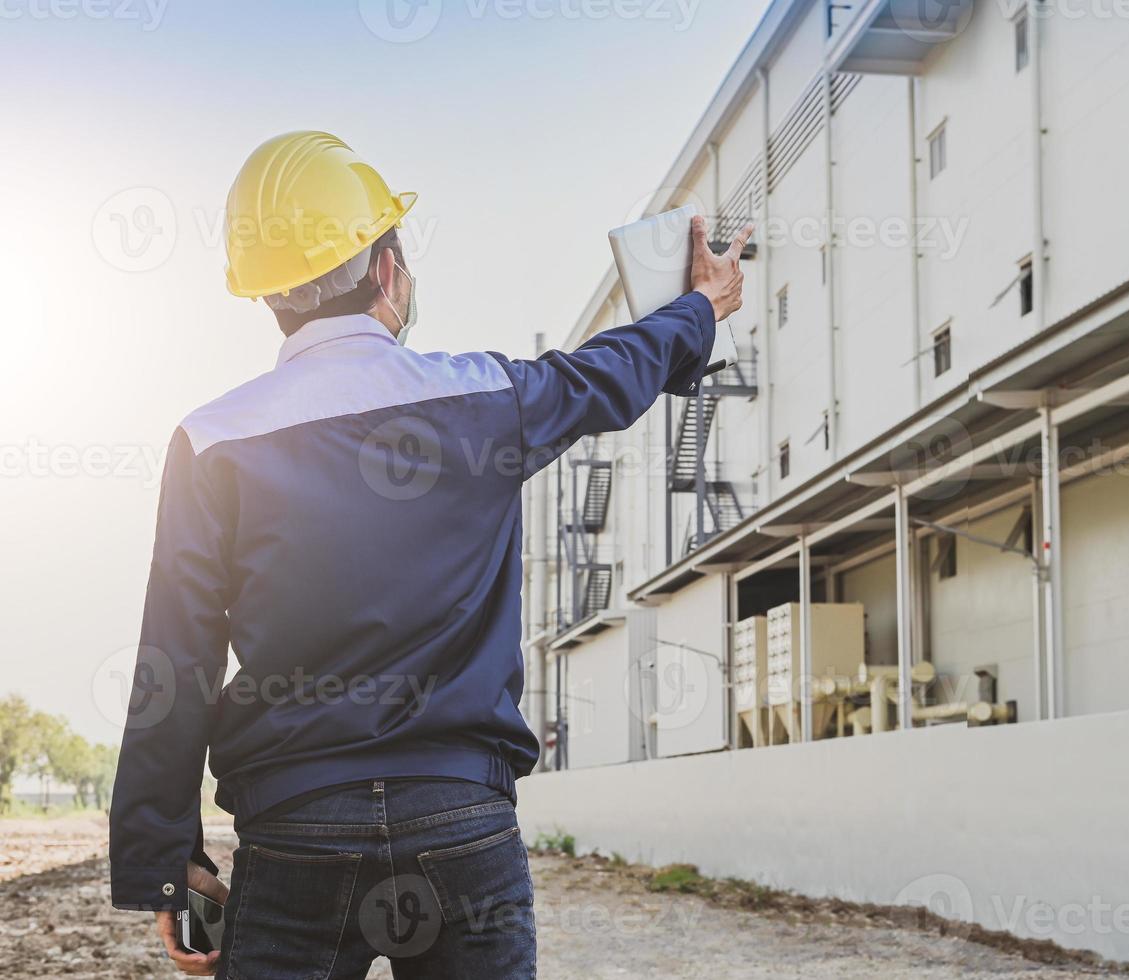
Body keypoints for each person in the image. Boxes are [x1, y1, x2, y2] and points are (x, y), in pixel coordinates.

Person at [107, 130, 750, 978]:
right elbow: (609, 372)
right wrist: (698, 306)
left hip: (295, 826)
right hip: (461, 820)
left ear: (267, 296)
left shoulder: (212, 440)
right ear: (386, 271)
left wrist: (167, 863)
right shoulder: (484, 397)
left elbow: (175, 657)